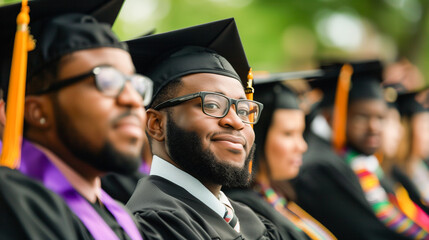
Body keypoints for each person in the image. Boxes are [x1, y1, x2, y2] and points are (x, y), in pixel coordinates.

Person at [0, 0, 159, 239]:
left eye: (135, 84)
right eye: (107, 81)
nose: (133, 100)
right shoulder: (12, 208)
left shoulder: (122, 217)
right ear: (36, 111)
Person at [126, 18, 285, 239]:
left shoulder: (252, 221)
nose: (237, 122)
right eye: (212, 105)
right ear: (156, 124)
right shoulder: (153, 225)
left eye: (243, 110)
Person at [293, 60, 429, 240]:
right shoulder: (320, 166)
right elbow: (365, 232)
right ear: (334, 117)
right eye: (362, 117)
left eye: (380, 118)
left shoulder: (360, 161)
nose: (374, 127)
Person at [225, 79, 337, 240]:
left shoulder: (276, 195)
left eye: (301, 133)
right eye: (288, 134)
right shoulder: (243, 207)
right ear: (255, 136)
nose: (302, 146)